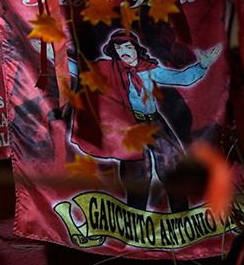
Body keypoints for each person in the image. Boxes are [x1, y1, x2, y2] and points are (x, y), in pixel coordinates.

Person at [68, 28, 221, 210]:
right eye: (119, 48)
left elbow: (183, 78)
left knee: (172, 164)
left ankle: (180, 213)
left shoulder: (149, 70)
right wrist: (55, 56)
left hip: (154, 122)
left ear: (135, 48)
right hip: (131, 126)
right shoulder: (109, 70)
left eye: (127, 46)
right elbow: (81, 71)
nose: (124, 51)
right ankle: (135, 216)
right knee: (136, 172)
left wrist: (202, 65)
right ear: (115, 52)